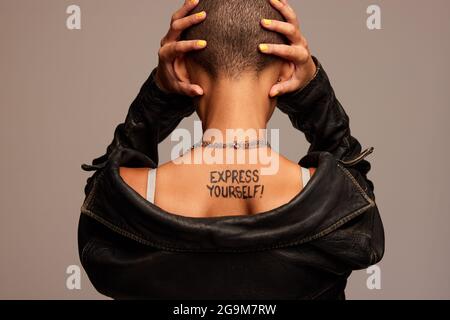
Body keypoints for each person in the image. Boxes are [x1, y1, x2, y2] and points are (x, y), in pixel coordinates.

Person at [79, 0, 384, 300]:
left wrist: (157, 97)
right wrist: (312, 94)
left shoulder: (125, 200)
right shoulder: (333, 207)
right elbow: (356, 192)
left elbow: (100, 201)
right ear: (287, 71)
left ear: (181, 69)